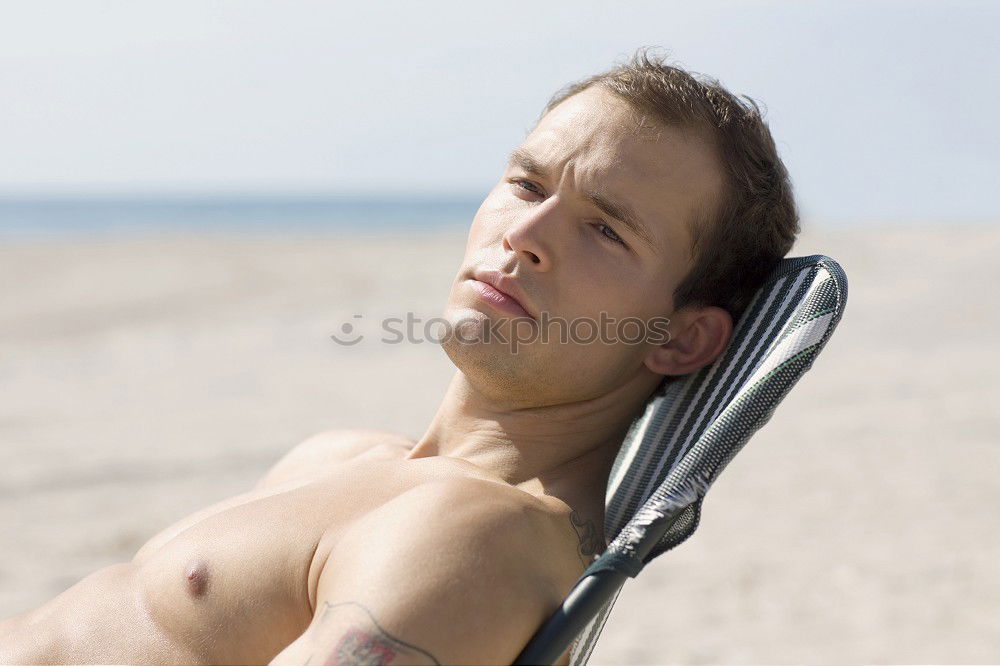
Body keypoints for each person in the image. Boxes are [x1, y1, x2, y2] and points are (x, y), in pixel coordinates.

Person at [0, 50, 798, 665]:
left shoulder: (474, 537)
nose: (524, 237)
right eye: (526, 184)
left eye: (605, 229)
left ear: (680, 337)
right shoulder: (343, 457)